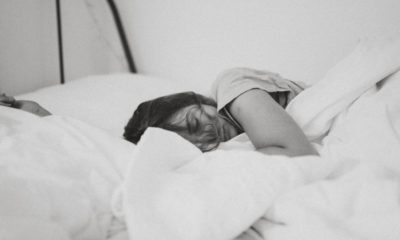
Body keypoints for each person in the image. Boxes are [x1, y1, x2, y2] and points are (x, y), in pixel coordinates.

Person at [124, 68, 317, 156]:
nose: (208, 136)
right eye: (195, 145)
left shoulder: (233, 86)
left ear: (192, 100)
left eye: (194, 123)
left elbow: (299, 154)